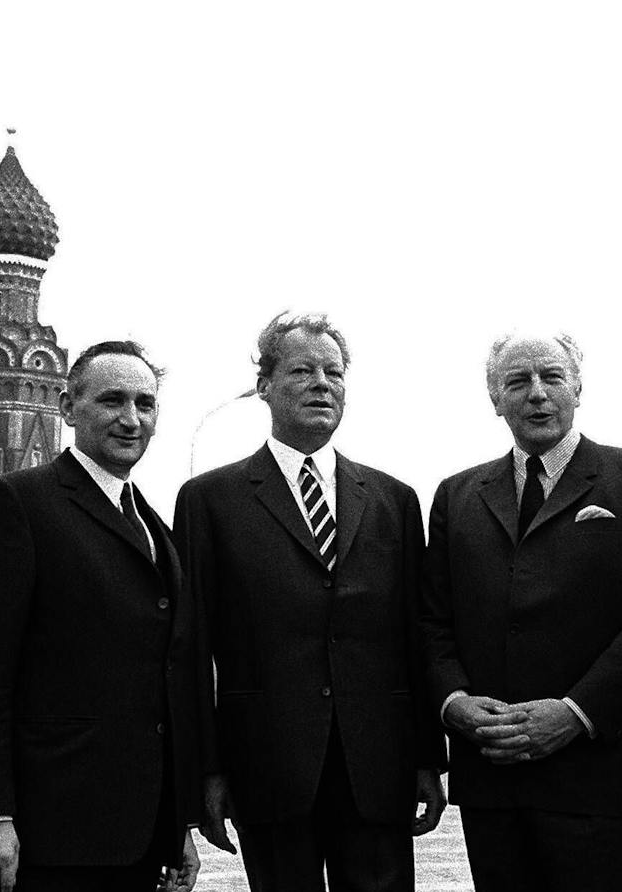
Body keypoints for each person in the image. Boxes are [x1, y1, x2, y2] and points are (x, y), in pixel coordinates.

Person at [178, 312, 446, 890]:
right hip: (266, 768)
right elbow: (193, 650)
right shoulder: (210, 501)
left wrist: (428, 757)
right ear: (264, 385)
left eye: (334, 372)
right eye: (302, 370)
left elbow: (414, 635)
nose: (322, 383)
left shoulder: (394, 500)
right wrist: (207, 770)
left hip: (377, 768)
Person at [419, 332, 622, 892]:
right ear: (495, 399)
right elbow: (431, 621)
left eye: (551, 377)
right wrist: (454, 703)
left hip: (597, 776)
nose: (537, 393)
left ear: (578, 388)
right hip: (492, 775)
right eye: (518, 381)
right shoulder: (456, 496)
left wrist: (575, 713)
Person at [0, 341, 202, 892]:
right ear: (67, 407)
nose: (131, 419)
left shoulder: (152, 525)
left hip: (139, 833)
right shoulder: (18, 504)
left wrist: (175, 823)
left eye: (145, 404)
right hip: (53, 827)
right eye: (112, 400)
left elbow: (164, 681)